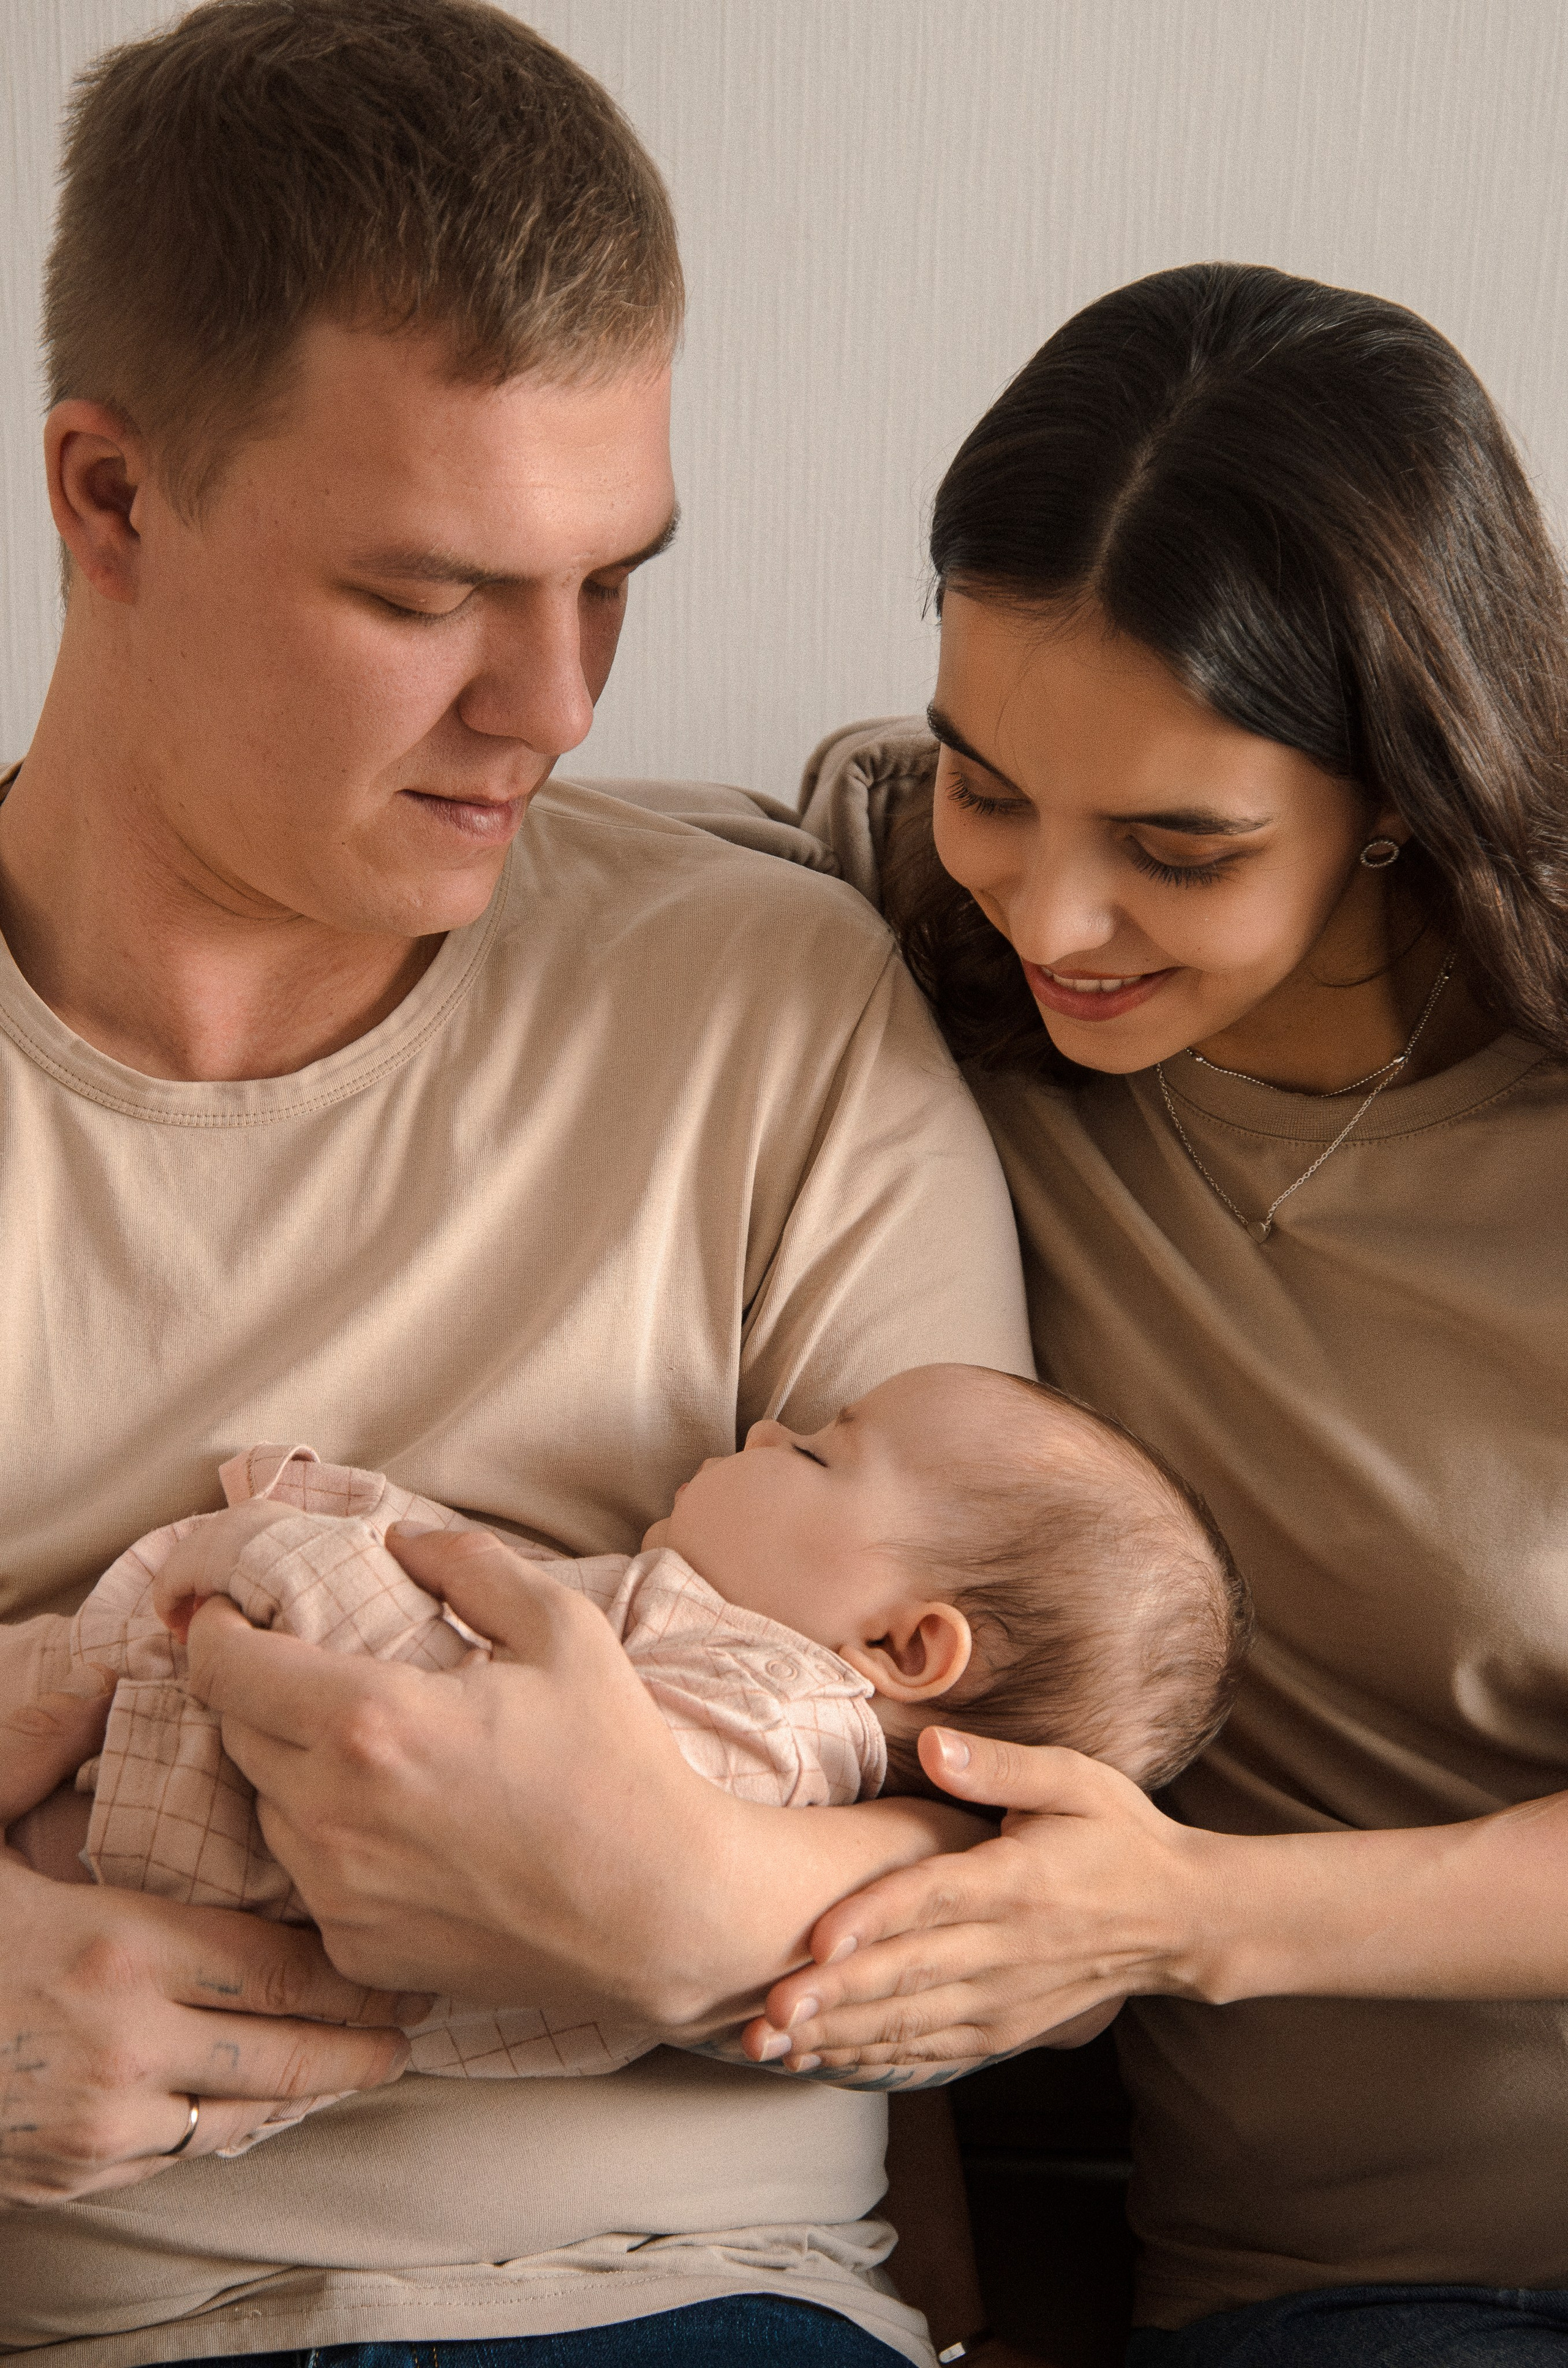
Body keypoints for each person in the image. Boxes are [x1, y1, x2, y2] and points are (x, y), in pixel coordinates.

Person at [0, 4, 1035, 2364]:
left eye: (615, 580)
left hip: (684, 2304)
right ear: (112, 495)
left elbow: (1051, 1822)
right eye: (427, 594)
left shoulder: (763, 1004)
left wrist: (695, 1905)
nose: (556, 707)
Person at [745, 262, 1568, 2366]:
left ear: (1399, 784)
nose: (1053, 910)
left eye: (1179, 850)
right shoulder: (893, 931)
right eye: (991, 781)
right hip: (1344, 2293)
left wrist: (1189, 1917)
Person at [8, 1364, 1247, 2111]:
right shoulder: (716, 1661)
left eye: (814, 1450)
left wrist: (297, 1553)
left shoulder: (770, 1729)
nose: (765, 1430)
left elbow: (492, 1777)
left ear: (906, 1648)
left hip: (198, 1857)